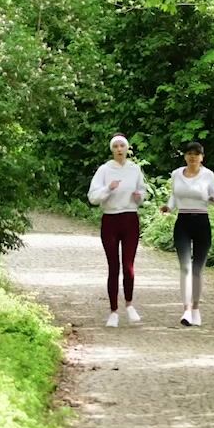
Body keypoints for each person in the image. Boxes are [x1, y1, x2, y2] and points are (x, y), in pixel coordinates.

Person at [87, 134, 147, 327]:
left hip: (130, 218)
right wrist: (108, 189)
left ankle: (129, 305)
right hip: (110, 220)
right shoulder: (104, 170)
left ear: (127, 149)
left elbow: (143, 192)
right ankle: (113, 311)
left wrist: (139, 196)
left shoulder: (134, 169)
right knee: (113, 267)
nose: (119, 149)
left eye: (122, 146)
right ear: (112, 150)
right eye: (116, 146)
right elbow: (92, 197)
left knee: (128, 266)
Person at [160, 139, 214, 326]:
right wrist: (168, 207)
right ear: (185, 156)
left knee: (197, 270)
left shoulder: (208, 175)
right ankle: (186, 310)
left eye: (196, 154)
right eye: (189, 154)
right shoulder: (176, 174)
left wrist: (211, 198)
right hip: (183, 222)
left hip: (202, 221)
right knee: (185, 267)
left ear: (202, 157)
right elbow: (174, 196)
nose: (192, 157)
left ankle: (195, 308)